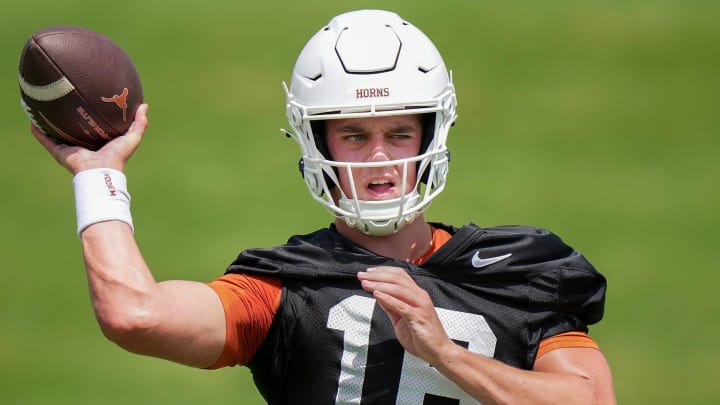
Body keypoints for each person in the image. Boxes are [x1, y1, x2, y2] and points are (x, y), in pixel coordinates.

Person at [32, 9, 616, 405]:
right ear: (318, 144)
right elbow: (135, 314)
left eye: (399, 134)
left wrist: (442, 352)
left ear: (431, 137)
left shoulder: (518, 269)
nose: (378, 159)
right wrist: (99, 176)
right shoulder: (283, 289)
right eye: (354, 136)